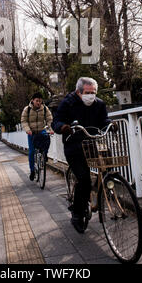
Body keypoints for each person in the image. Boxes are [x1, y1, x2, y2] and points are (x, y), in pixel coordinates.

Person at [52, 77, 113, 234]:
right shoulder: (68, 103)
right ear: (78, 92)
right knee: (84, 179)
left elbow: (103, 120)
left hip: (92, 142)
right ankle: (77, 214)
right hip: (74, 146)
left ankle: (103, 189)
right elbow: (56, 121)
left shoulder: (99, 104)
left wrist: (110, 124)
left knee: (109, 163)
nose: (91, 96)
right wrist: (63, 127)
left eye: (93, 92)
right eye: (87, 93)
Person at [21, 92, 53, 181]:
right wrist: (27, 130)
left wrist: (50, 129)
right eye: (37, 101)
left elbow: (49, 119)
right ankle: (32, 171)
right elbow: (24, 121)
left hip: (41, 130)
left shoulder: (45, 109)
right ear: (33, 101)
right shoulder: (27, 109)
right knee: (31, 152)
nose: (38, 103)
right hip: (31, 132)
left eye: (40, 101)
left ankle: (44, 155)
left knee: (47, 140)